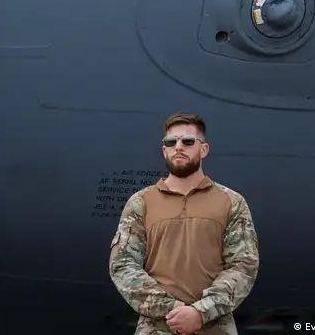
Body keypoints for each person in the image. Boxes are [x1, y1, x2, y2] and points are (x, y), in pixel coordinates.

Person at [108, 113, 260, 335]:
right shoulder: (141, 202)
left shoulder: (231, 202)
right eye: (171, 142)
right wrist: (172, 310)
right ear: (164, 150)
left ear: (204, 149)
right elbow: (123, 264)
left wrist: (201, 312)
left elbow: (243, 265)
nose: (178, 147)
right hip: (157, 328)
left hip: (214, 327)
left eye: (188, 141)